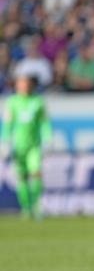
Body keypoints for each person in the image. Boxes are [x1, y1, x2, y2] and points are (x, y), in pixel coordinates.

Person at [0, 75, 52, 219]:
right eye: (21, 84)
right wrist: (4, 142)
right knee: (22, 177)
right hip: (18, 146)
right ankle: (26, 208)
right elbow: (7, 125)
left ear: (31, 86)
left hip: (34, 146)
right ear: (17, 86)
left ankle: (36, 206)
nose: (24, 87)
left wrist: (48, 139)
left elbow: (44, 123)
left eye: (26, 84)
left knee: (36, 173)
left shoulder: (38, 102)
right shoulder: (12, 103)